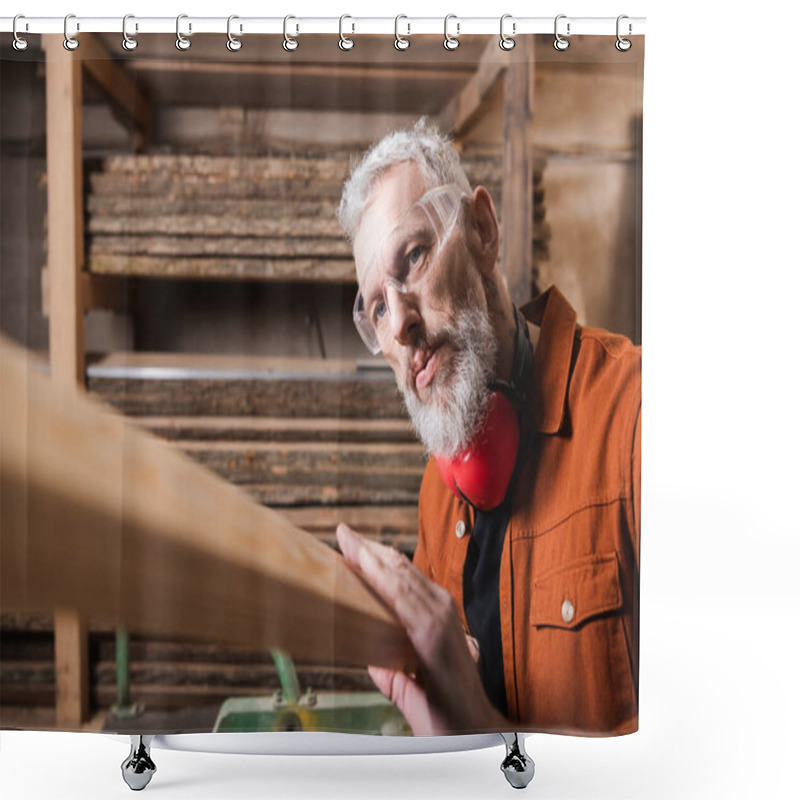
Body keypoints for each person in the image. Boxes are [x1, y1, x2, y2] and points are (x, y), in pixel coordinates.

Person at [335, 118, 641, 737]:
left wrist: (479, 728)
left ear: (482, 232)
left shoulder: (636, 419)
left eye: (413, 257)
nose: (399, 327)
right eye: (375, 306)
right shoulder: (436, 490)